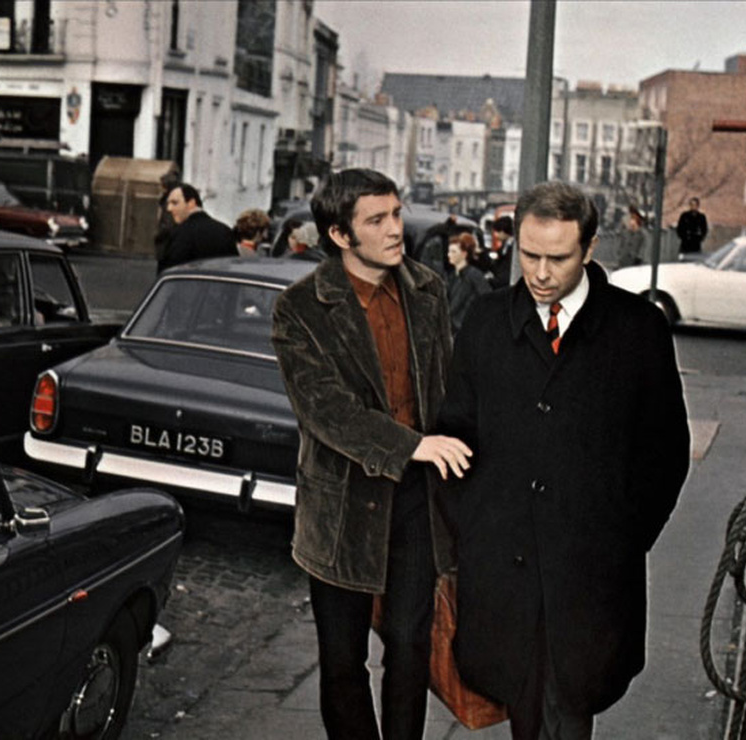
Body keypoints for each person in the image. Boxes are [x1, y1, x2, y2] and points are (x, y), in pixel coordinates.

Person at [438, 181, 690, 740]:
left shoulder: (638, 329)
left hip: (589, 578)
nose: (541, 273)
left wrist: (619, 539)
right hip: (502, 569)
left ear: (590, 248)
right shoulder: (486, 320)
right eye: (529, 255)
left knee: (571, 708)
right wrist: (475, 529)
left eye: (558, 258)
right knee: (522, 713)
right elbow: (454, 436)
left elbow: (665, 454)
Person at [270, 168, 472, 740]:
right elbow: (326, 411)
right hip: (341, 506)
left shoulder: (427, 290)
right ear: (340, 235)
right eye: (377, 220)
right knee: (343, 661)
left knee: (410, 647)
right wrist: (412, 445)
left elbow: (448, 389)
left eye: (397, 214)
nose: (395, 229)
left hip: (417, 502)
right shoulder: (301, 308)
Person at [158, 183, 238, 272]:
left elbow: (168, 272)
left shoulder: (180, 233)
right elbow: (234, 268)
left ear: (191, 203)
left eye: (175, 203)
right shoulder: (225, 231)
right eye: (168, 203)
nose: (169, 208)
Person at [445, 231, 491, 336]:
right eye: (449, 251)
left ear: (464, 254)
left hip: (466, 328)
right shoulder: (452, 275)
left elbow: (487, 299)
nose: (449, 255)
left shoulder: (474, 275)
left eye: (453, 251)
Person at [485, 214, 516, 289]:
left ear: (502, 231)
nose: (495, 235)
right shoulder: (505, 245)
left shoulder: (513, 247)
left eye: (497, 232)